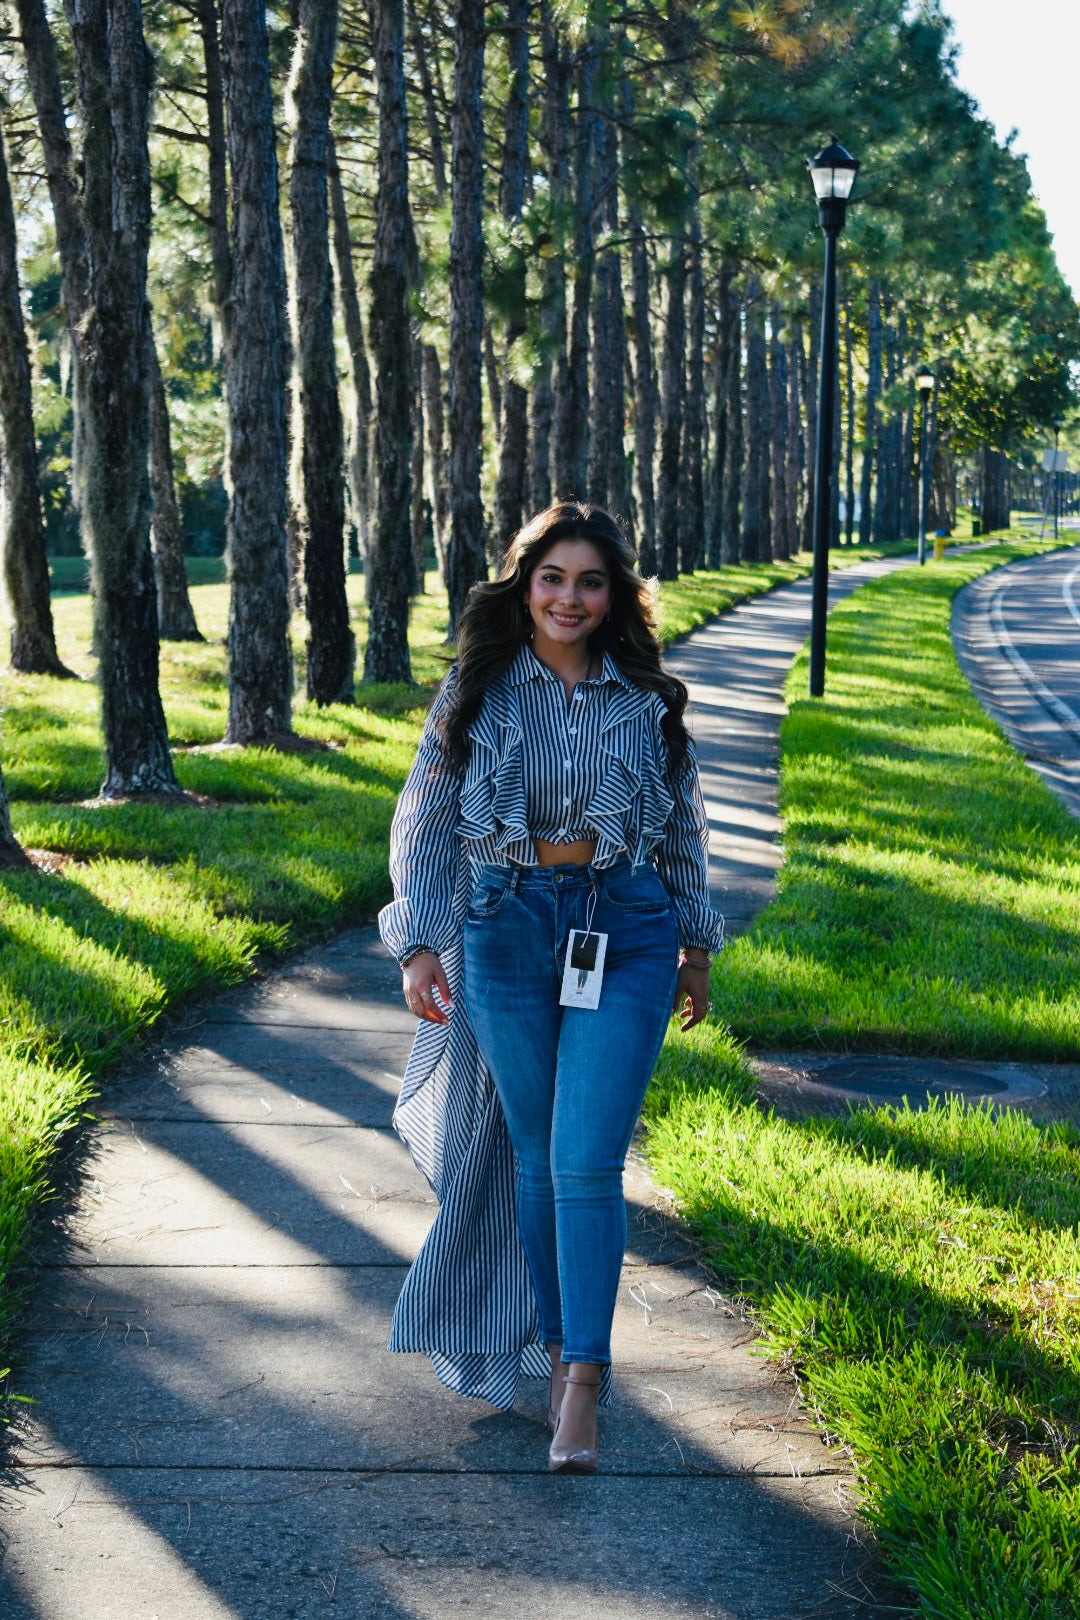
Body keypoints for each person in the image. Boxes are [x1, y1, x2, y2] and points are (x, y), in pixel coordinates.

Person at [379, 501, 724, 1473]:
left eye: (590, 580)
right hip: (507, 929)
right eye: (552, 577)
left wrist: (696, 944)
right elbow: (423, 819)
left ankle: (583, 1378)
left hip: (628, 925)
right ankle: (555, 1344)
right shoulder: (477, 689)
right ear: (523, 584)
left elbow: (680, 830)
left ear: (615, 594)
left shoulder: (645, 696)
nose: (569, 597)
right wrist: (417, 944)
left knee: (584, 1160)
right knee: (536, 1160)